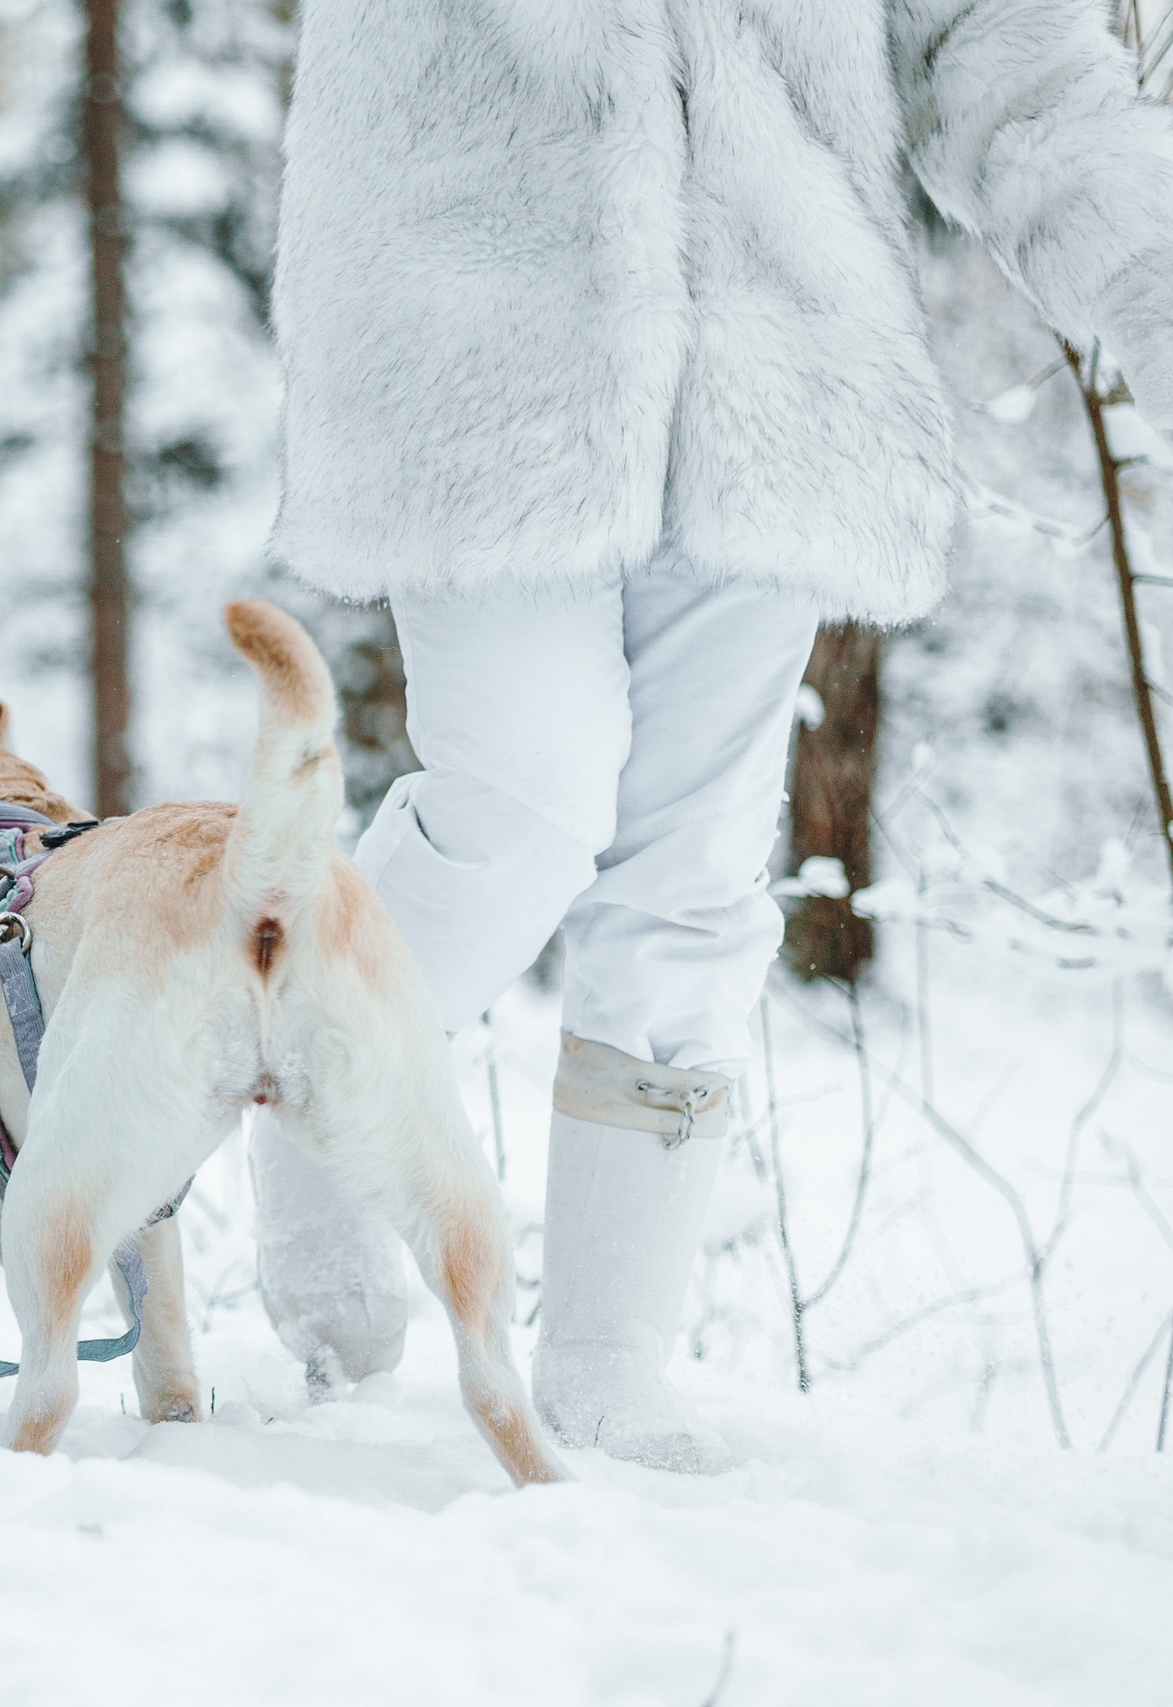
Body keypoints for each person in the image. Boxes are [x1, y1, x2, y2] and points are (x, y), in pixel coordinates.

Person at [258, 0, 1173, 1470]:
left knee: (690, 874)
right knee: (523, 800)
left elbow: (1001, 53)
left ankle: (612, 1364)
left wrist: (1147, 272)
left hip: (777, 363)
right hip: (474, 328)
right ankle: (311, 1097)